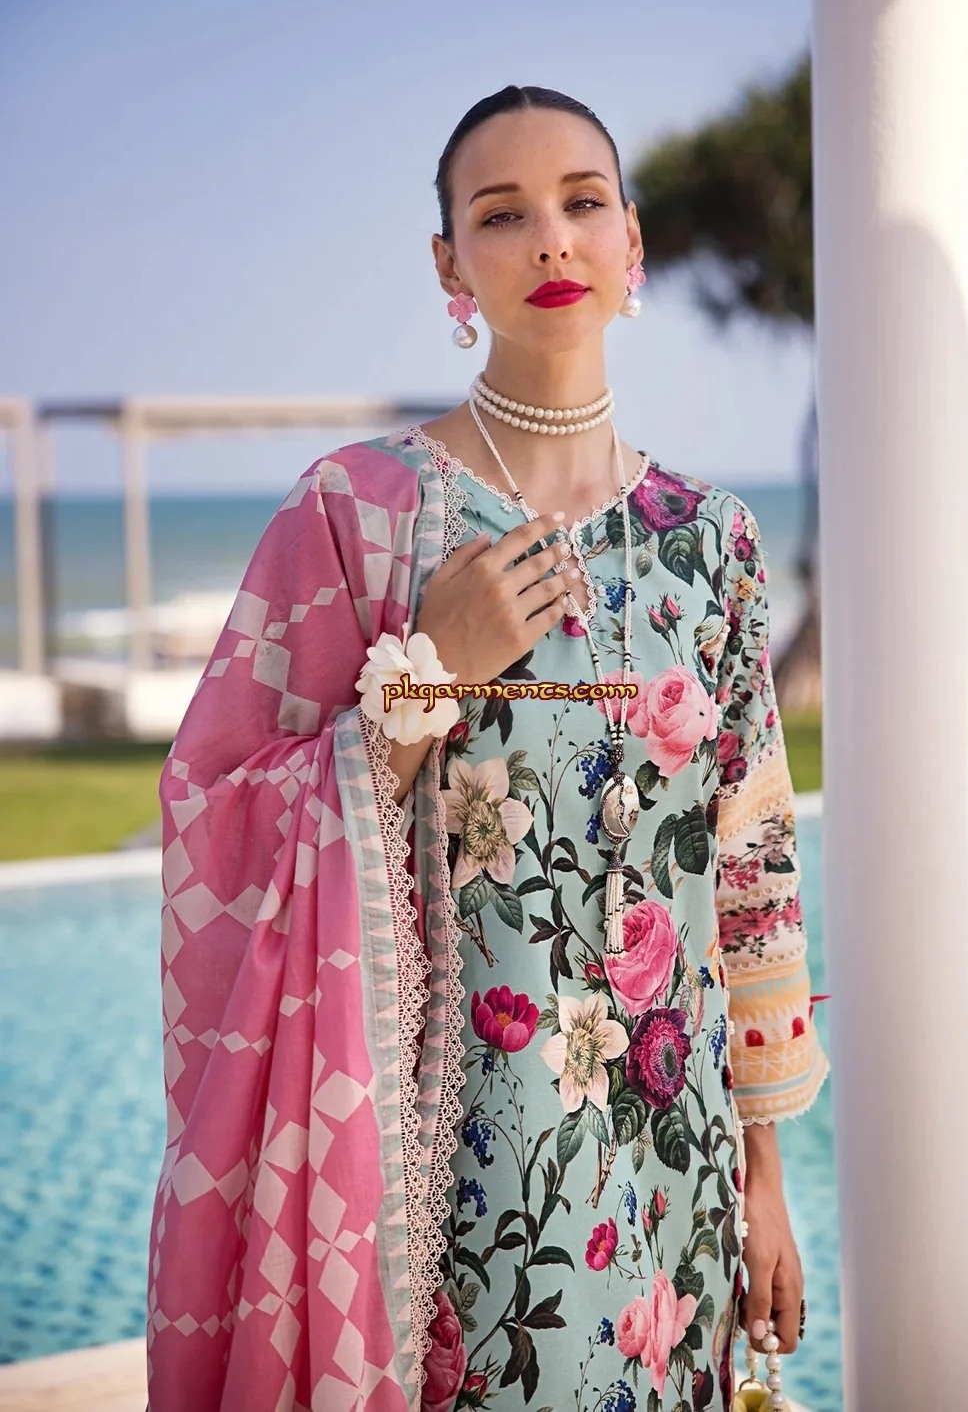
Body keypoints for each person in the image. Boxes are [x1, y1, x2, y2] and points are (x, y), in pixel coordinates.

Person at [145, 84, 829, 1412]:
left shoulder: (716, 545)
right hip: (450, 1182)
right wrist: (425, 674)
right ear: (450, 264)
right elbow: (214, 821)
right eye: (502, 214)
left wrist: (764, 1185)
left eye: (583, 203)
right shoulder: (359, 514)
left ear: (632, 243)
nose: (552, 238)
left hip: (676, 1170)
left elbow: (750, 880)